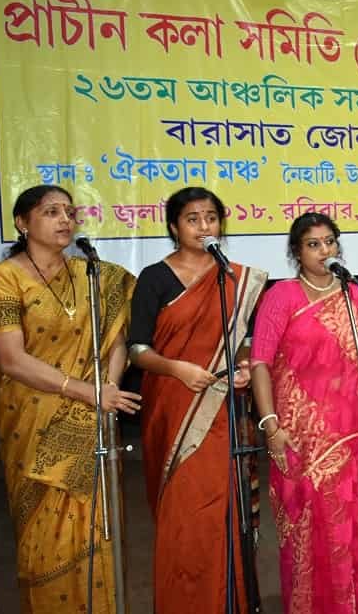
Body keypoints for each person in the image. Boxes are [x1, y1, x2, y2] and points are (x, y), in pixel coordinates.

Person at [0, 185, 139, 614]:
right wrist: (87, 392)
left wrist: (107, 390)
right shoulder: (4, 278)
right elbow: (11, 359)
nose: (65, 220)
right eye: (51, 212)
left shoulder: (95, 276)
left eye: (69, 212)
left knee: (99, 530)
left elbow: (117, 339)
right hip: (33, 420)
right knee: (45, 538)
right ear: (22, 222)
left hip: (94, 419)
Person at [249, 212, 358, 614]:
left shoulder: (355, 295)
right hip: (300, 441)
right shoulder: (282, 296)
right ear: (297, 252)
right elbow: (260, 363)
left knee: (355, 535)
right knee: (310, 539)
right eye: (313, 244)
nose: (324, 251)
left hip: (353, 437)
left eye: (329, 242)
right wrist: (270, 425)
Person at [127, 187, 268, 613]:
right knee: (185, 514)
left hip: (224, 409)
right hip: (175, 408)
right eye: (193, 219)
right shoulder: (155, 277)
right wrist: (178, 369)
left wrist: (244, 365)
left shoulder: (234, 279)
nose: (204, 226)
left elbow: (243, 340)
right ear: (174, 227)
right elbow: (138, 350)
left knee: (225, 511)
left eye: (211, 217)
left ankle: (230, 602)